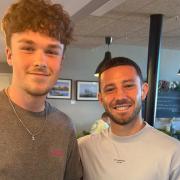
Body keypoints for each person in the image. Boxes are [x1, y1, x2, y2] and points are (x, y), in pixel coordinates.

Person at [0, 0, 82, 179]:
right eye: (28, 48)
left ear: (61, 60)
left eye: (52, 51)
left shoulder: (65, 127)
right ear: (9, 55)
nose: (40, 62)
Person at [78, 57, 180, 180]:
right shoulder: (83, 148)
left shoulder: (173, 151)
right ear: (101, 99)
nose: (120, 96)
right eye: (110, 89)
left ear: (143, 91)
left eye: (128, 86)